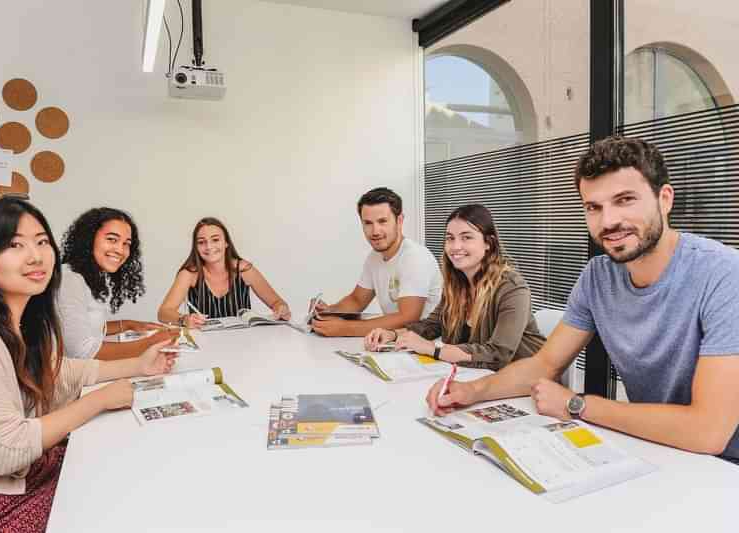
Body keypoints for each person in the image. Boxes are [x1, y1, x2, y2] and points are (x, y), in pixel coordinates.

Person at [425, 136, 739, 462]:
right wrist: (471, 391)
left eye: (625, 200)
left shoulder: (724, 274)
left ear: (665, 199)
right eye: (594, 207)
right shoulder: (598, 275)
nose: (608, 221)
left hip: (724, 468)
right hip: (658, 449)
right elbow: (545, 364)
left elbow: (709, 431)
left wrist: (578, 404)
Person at [0, 198, 177, 532]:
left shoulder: (22, 319)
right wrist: (101, 399)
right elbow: (6, 451)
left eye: (41, 242)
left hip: (26, 473)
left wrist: (139, 366)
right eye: (14, 245)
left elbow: (61, 370)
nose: (35, 256)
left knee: (137, 466)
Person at [365, 204, 544, 369]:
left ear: (488, 243)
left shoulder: (512, 288)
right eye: (450, 238)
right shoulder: (457, 285)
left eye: (466, 237)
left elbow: (499, 353)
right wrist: (392, 335)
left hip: (526, 382)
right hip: (477, 377)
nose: (456, 246)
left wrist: (432, 349)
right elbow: (432, 325)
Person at [312, 187, 442, 337]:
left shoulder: (415, 257)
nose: (375, 231)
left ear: (399, 221)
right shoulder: (374, 257)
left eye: (382, 221)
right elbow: (356, 300)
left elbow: (408, 318)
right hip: (394, 342)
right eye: (368, 223)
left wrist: (344, 328)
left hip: (425, 344)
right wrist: (328, 312)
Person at [57, 207, 177, 360]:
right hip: (71, 380)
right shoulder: (70, 279)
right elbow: (82, 352)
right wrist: (150, 343)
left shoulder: (93, 275)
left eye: (126, 243)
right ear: (89, 238)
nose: (120, 250)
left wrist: (127, 324)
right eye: (112, 239)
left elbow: (85, 328)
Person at [158, 217, 291, 327]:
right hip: (205, 343)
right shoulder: (190, 273)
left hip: (244, 341)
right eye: (201, 242)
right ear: (196, 247)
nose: (209, 246)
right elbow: (163, 312)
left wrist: (281, 309)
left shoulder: (244, 269)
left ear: (226, 243)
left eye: (215, 240)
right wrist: (184, 319)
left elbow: (277, 303)